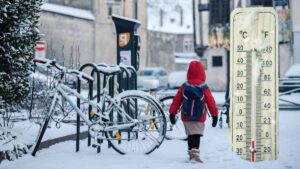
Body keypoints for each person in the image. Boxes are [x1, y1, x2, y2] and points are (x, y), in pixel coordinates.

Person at [169, 61, 219, 163]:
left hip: (186, 116)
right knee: (196, 135)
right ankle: (195, 156)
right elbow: (211, 102)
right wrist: (215, 115)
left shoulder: (184, 85)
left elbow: (177, 100)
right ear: (202, 73)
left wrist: (172, 113)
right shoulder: (203, 87)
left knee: (190, 135)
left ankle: (191, 154)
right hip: (199, 116)